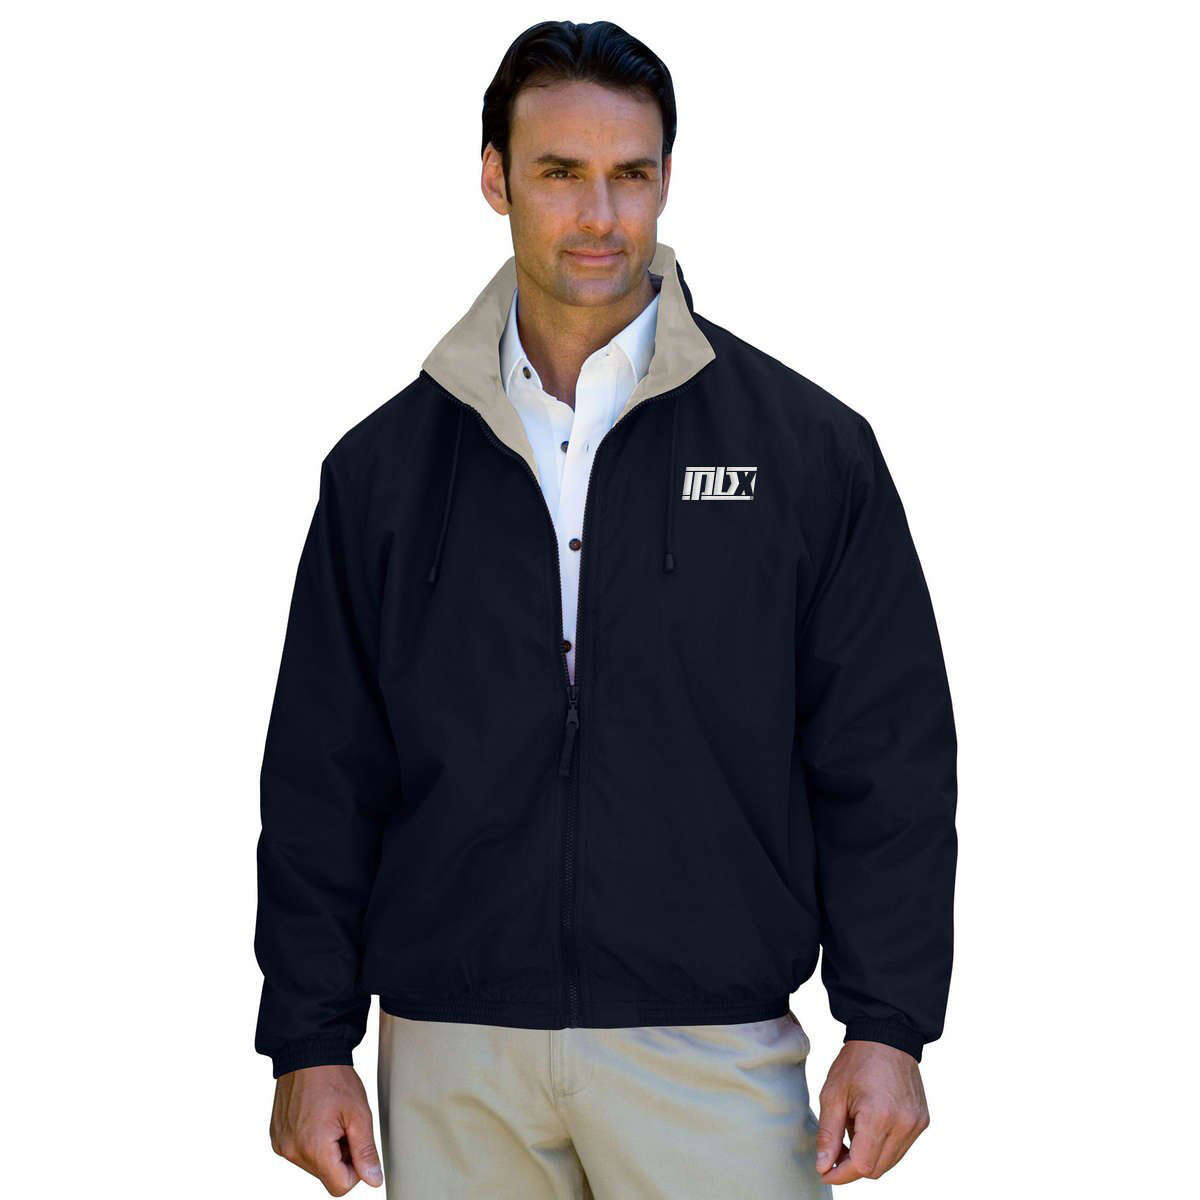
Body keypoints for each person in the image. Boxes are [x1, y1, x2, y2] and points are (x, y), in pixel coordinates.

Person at [255, 19, 957, 1198]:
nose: (599, 215)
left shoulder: (805, 452)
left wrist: (888, 1025)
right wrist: (309, 1041)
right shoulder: (382, 473)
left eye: (631, 174)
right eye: (559, 173)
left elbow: (885, 754)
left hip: (710, 1051)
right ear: (496, 179)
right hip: (454, 1056)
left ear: (667, 179)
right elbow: (323, 772)